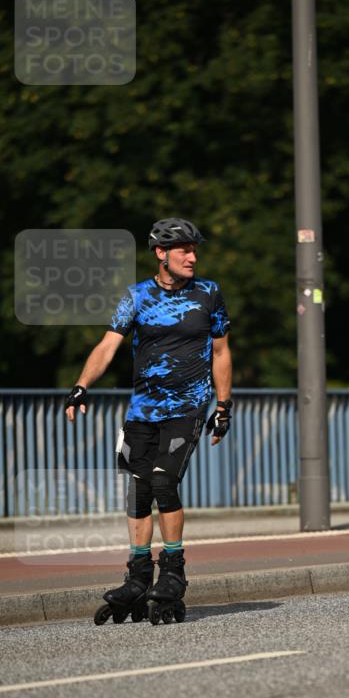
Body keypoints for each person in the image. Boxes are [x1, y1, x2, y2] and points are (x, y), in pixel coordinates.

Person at [65, 217, 232, 624]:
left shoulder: (208, 294)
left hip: (187, 408)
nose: (192, 257)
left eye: (194, 250)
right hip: (142, 410)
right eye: (184, 250)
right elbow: (108, 345)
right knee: (138, 490)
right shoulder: (136, 296)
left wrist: (223, 406)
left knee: (163, 481)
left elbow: (221, 352)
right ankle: (138, 577)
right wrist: (81, 385)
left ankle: (173, 572)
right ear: (161, 253)